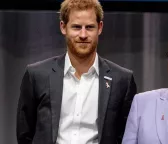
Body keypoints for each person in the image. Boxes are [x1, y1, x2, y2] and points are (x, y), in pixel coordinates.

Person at [16, 0, 137, 144]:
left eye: (90, 27)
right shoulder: (36, 75)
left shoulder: (122, 80)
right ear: (63, 27)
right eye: (76, 27)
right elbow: (25, 135)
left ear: (100, 27)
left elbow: (126, 137)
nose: (83, 34)